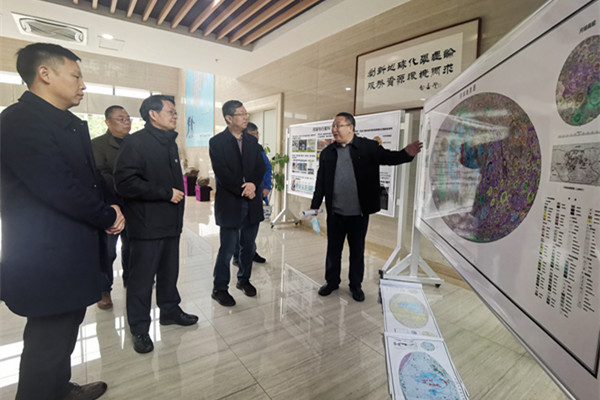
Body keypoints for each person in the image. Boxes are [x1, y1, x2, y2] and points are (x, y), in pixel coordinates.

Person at [0, 42, 125, 400]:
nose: (82, 85)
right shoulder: (20, 121)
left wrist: (110, 206)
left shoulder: (65, 123)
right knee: (46, 344)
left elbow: (88, 179)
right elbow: (59, 187)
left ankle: (59, 389)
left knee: (64, 333)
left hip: (71, 250)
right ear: (45, 74)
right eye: (76, 76)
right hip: (46, 255)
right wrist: (106, 215)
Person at [114, 95, 198, 354]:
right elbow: (125, 183)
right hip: (147, 225)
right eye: (171, 111)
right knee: (141, 280)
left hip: (171, 222)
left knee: (169, 272)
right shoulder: (135, 143)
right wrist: (165, 193)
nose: (175, 116)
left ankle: (170, 311)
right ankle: (139, 328)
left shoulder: (169, 142)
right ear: (153, 114)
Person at [310, 112, 422, 302]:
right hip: (335, 213)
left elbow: (389, 158)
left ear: (351, 128)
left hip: (358, 213)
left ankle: (355, 286)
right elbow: (320, 181)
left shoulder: (368, 147)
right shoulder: (328, 153)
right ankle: (332, 282)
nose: (334, 129)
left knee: (357, 251)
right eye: (333, 126)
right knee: (333, 250)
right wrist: (314, 206)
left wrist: (406, 154)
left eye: (338, 125)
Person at [209, 100, 265, 307]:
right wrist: (245, 188)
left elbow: (260, 167)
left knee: (248, 246)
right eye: (241, 114)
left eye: (246, 113)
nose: (246, 117)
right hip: (231, 203)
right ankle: (220, 288)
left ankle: (244, 280)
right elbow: (222, 173)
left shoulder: (252, 142)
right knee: (227, 248)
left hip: (252, 202)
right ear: (229, 118)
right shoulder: (217, 142)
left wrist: (253, 184)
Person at [91, 105, 132, 309]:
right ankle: (103, 289)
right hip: (109, 205)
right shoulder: (97, 145)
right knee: (107, 250)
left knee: (132, 246)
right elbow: (100, 175)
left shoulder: (136, 143)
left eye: (128, 118)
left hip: (134, 204)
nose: (126, 122)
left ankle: (130, 279)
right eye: (120, 118)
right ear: (108, 122)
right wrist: (127, 187)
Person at [232, 122, 271, 266]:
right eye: (253, 134)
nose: (256, 137)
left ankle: (251, 252)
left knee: (252, 225)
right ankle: (237, 256)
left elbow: (267, 168)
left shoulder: (259, 149)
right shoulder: (236, 149)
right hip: (241, 194)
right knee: (239, 226)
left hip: (257, 193)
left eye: (257, 134)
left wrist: (266, 186)